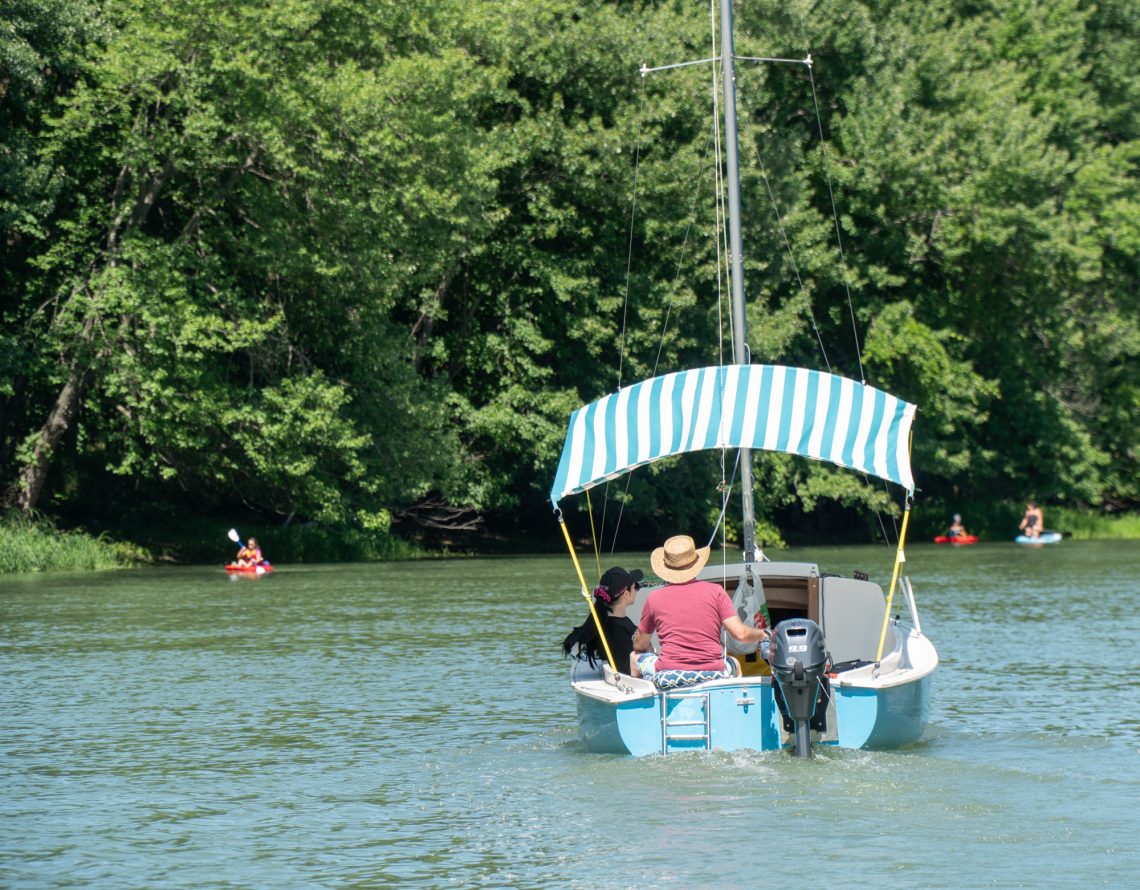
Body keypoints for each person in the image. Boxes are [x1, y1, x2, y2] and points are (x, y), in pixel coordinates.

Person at [633, 534, 771, 688]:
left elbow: (640, 645)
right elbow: (741, 635)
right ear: (695, 565)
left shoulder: (654, 598)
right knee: (736, 664)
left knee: (634, 657)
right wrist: (764, 634)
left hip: (668, 670)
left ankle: (645, 702)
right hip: (713, 670)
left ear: (666, 568)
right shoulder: (716, 592)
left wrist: (645, 647)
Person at [562, 566, 645, 674]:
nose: (637, 590)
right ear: (626, 593)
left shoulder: (607, 622)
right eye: (636, 587)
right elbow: (627, 670)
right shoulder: (617, 631)